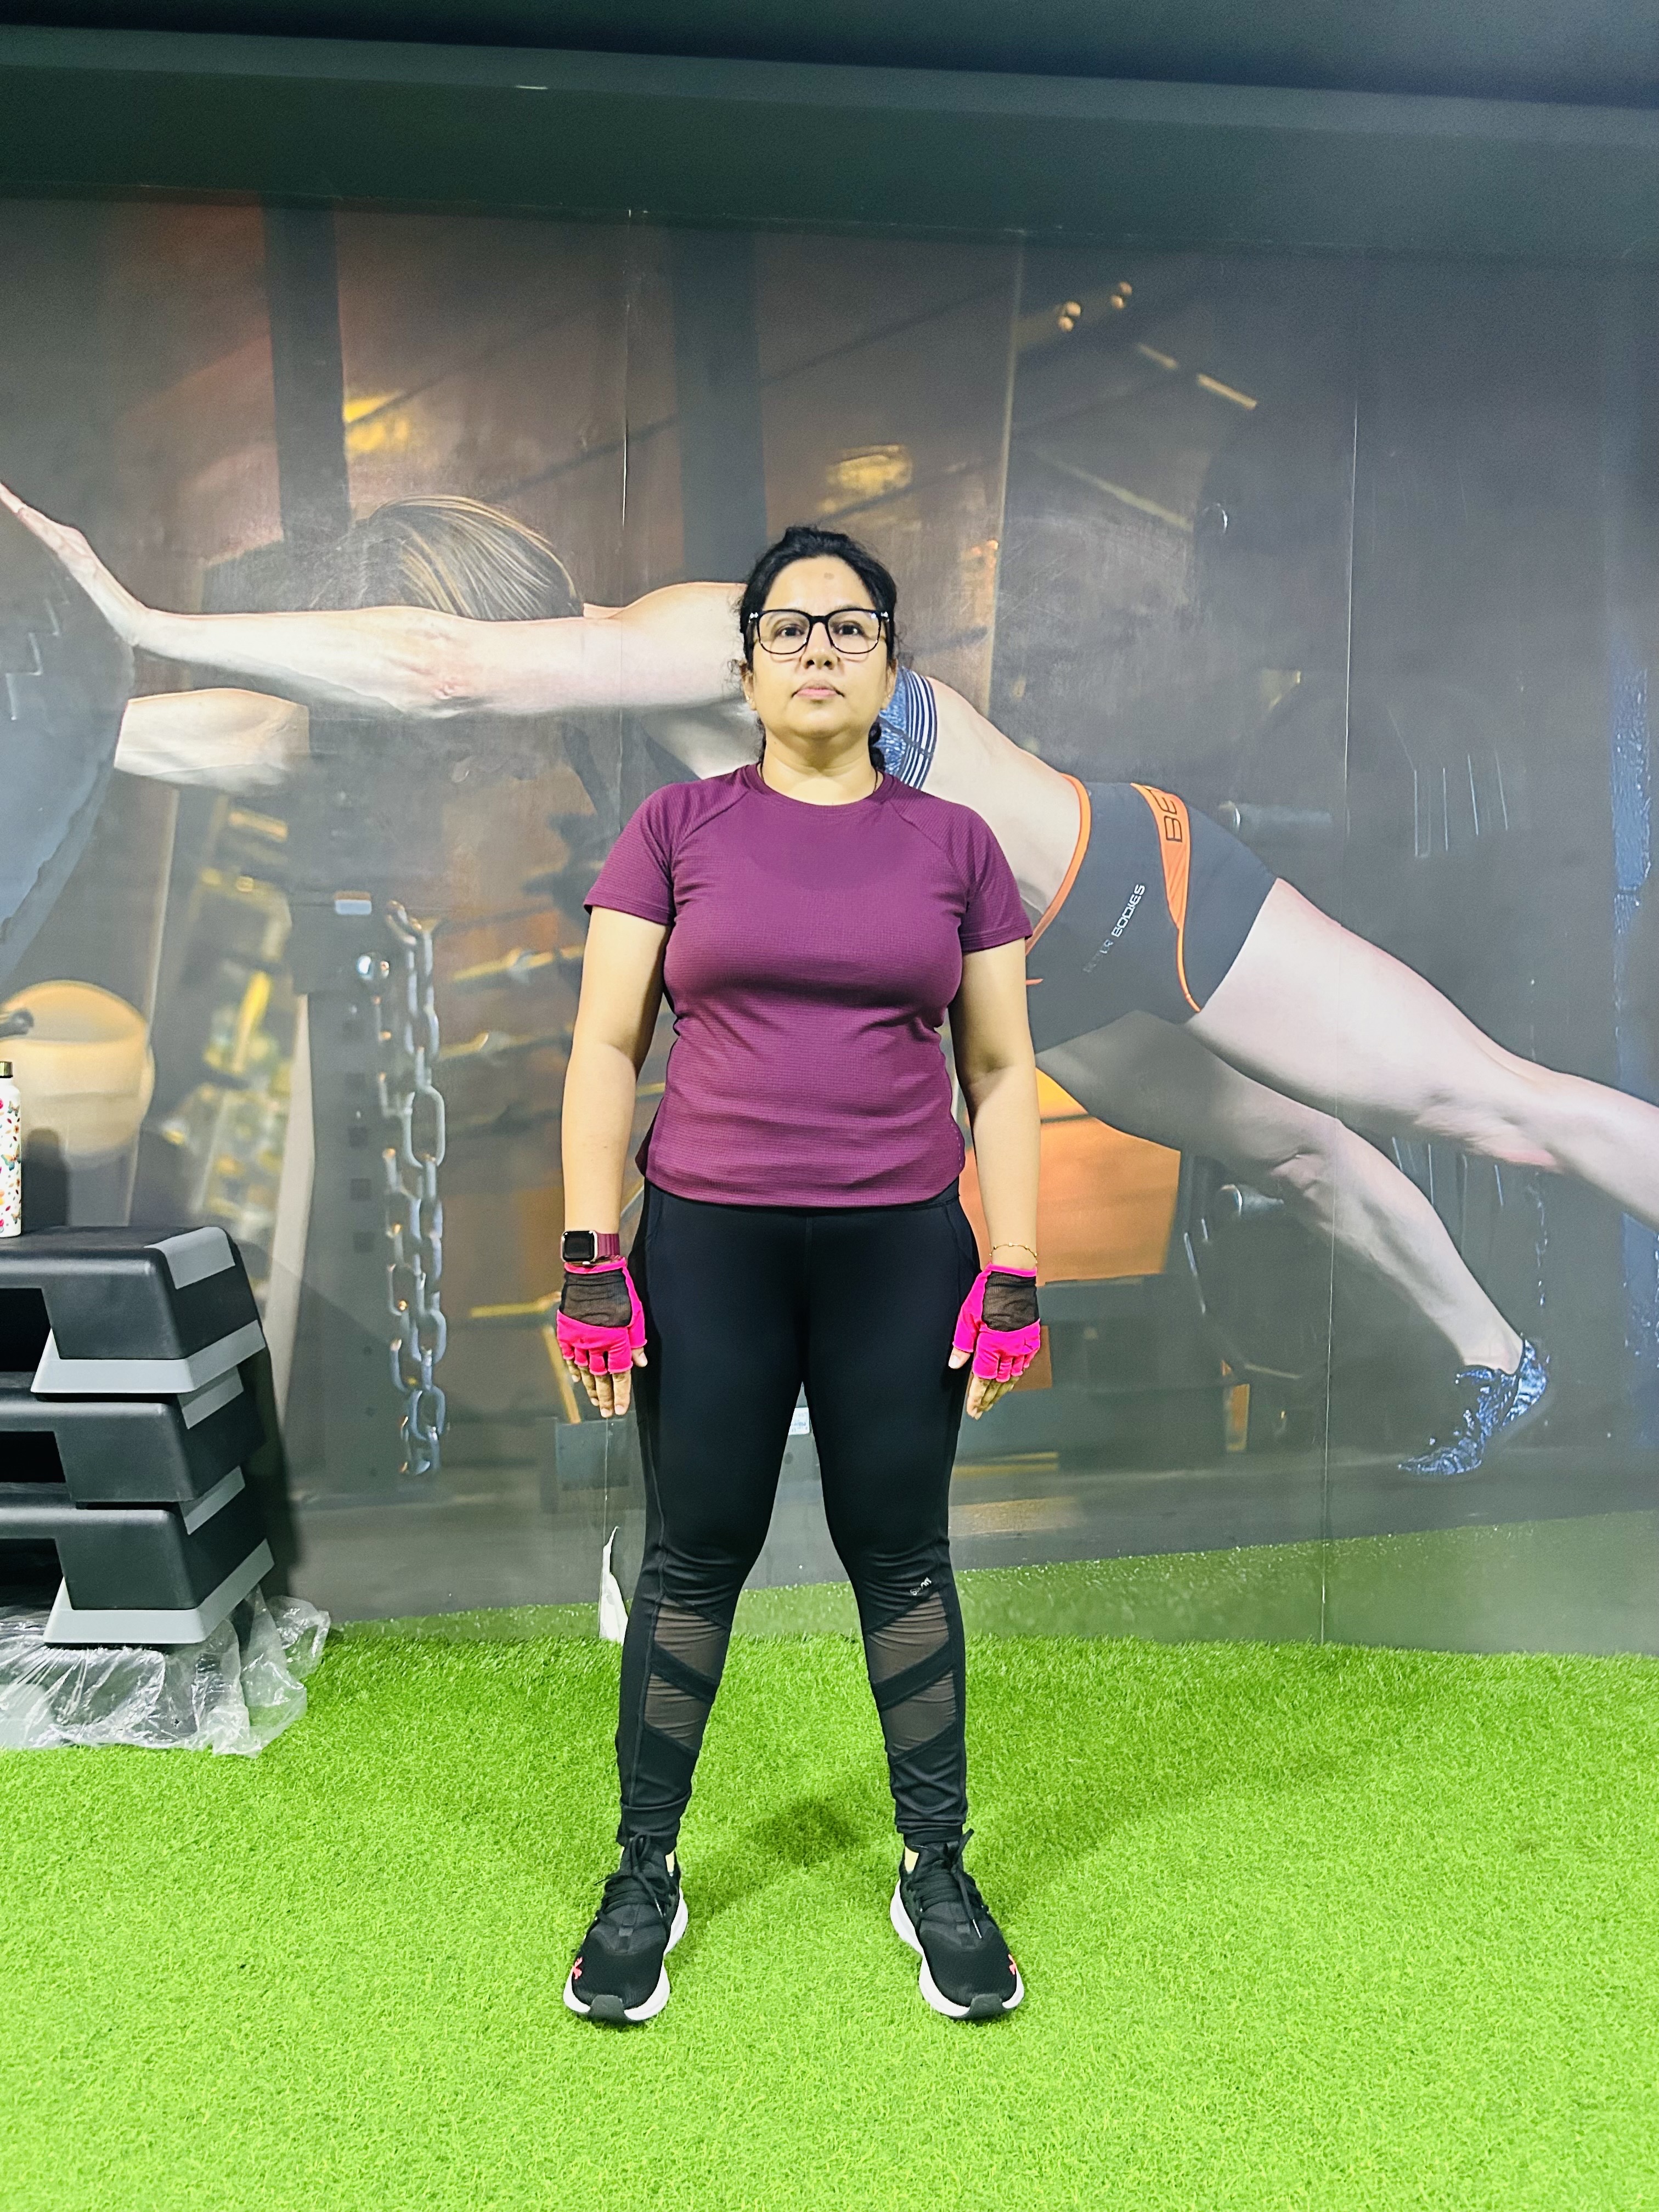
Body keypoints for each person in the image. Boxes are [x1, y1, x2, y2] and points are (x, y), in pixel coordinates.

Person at [11, 482, 1655, 1475]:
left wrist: (145, 613)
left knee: (1493, 1109)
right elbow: (286, 741)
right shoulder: (599, 735)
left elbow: (434, 676)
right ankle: (1499, 1363)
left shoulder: (686, 638)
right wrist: (85, 721)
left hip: (1138, 893)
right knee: (1295, 1158)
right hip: (1034, 984)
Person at [551, 527, 1039, 2023]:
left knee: (905, 1559)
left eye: (849, 628)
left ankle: (937, 1870)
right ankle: (645, 1873)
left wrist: (1016, 1266)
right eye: (788, 628)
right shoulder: (674, 828)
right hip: (712, 1246)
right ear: (749, 664)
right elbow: (606, 1047)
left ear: (891, 664)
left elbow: (1002, 1070)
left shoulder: (957, 846)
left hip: (901, 1248)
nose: (818, 650)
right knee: (695, 1557)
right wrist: (590, 1256)